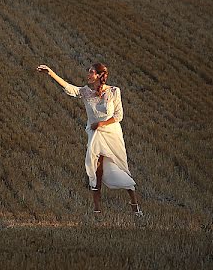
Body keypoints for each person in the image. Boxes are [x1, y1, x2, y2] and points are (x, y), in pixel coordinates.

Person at [36, 62, 143, 217]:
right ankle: (97, 209)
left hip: (111, 134)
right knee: (95, 168)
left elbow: (118, 116)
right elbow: (69, 88)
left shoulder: (114, 91)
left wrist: (101, 123)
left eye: (91, 72)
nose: (88, 74)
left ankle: (134, 205)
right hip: (95, 135)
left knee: (120, 167)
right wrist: (50, 73)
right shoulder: (86, 92)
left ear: (99, 75)